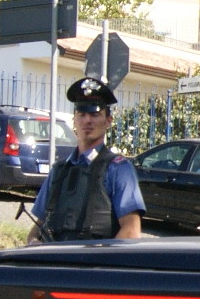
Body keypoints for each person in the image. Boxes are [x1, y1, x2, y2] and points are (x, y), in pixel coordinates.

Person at [29, 77, 145, 242]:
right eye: (82, 114)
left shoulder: (118, 169)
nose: (87, 120)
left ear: (108, 121)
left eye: (95, 114)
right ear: (74, 120)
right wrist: (33, 242)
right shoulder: (59, 170)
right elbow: (37, 228)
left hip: (94, 266)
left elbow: (131, 231)